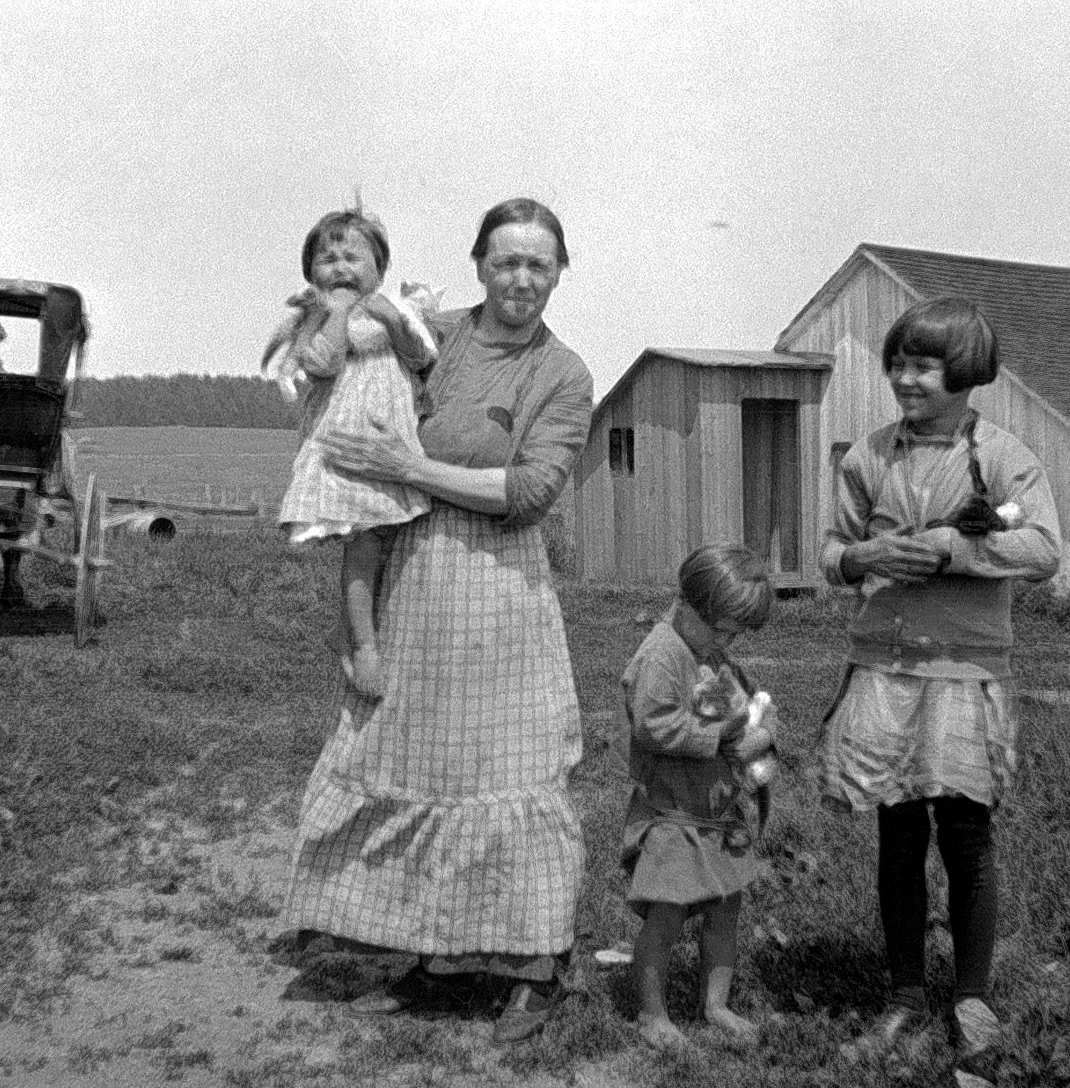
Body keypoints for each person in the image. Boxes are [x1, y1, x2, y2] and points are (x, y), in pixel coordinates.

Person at [280, 198, 594, 1045]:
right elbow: (346, 379)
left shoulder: (560, 374)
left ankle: (539, 965)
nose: (520, 278)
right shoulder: (434, 334)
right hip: (413, 572)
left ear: (560, 271)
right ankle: (435, 954)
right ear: (478, 265)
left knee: (513, 767)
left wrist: (408, 464)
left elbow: (528, 492)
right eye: (505, 261)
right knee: (419, 759)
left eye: (538, 263)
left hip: (502, 588)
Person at [817, 296, 1061, 1063]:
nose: (905, 378)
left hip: (963, 670)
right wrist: (862, 559)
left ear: (966, 373)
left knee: (965, 835)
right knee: (897, 834)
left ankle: (972, 997)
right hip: (885, 668)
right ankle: (903, 995)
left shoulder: (1005, 457)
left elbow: (1046, 548)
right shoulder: (868, 456)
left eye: (923, 366)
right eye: (898, 363)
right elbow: (831, 550)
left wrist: (954, 552)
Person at [263, 205, 439, 696]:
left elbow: (421, 355)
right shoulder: (314, 319)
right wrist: (337, 311)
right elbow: (322, 364)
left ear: (379, 271)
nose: (340, 267)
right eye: (327, 259)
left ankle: (365, 631)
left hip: (389, 447)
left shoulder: (391, 315)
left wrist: (398, 322)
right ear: (311, 274)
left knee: (388, 545)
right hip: (345, 450)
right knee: (364, 548)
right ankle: (362, 644)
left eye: (352, 258)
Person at [619, 543, 777, 1051]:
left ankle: (716, 1004)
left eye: (736, 633)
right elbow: (652, 725)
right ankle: (652, 1013)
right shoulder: (662, 653)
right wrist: (722, 738)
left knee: (726, 910)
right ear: (688, 606)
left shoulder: (708, 651)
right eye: (722, 629)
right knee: (667, 914)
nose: (727, 642)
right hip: (673, 813)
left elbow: (743, 707)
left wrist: (759, 728)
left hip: (715, 813)